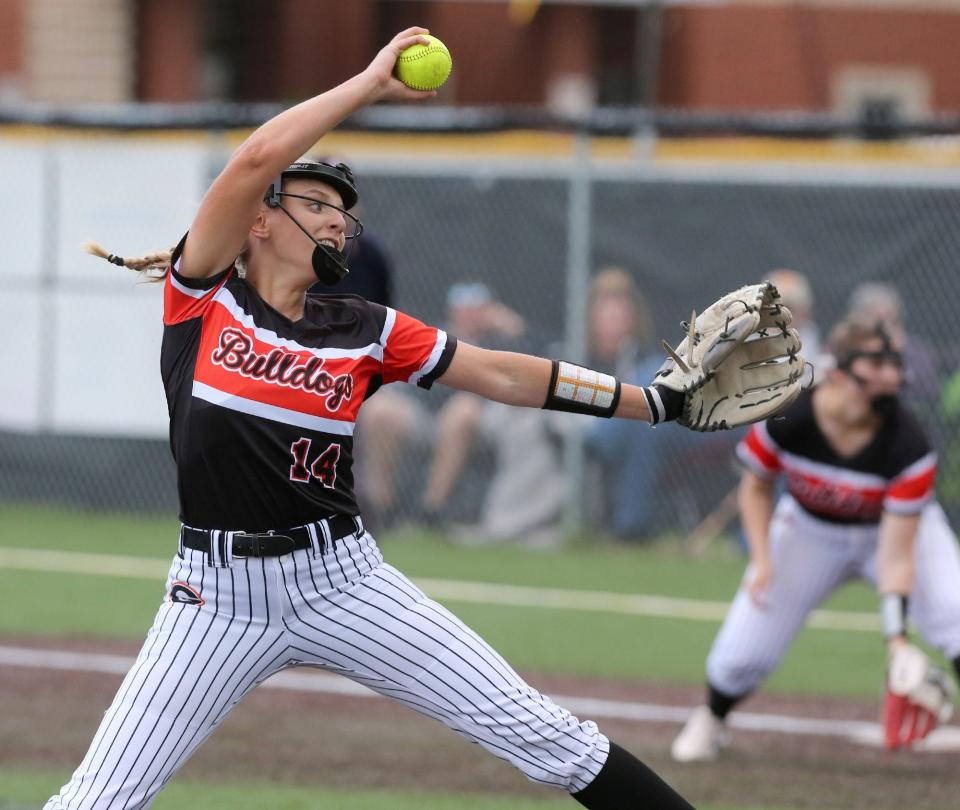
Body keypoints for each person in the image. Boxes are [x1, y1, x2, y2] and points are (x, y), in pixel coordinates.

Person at [51, 29, 700, 809]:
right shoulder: (205, 299)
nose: (337, 222)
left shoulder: (363, 326)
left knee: (549, 739)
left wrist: (653, 402)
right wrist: (367, 84)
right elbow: (257, 158)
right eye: (317, 204)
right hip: (212, 594)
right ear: (258, 222)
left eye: (343, 213)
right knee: (98, 799)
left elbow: (500, 373)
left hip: (342, 580)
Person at [670, 315, 960, 762]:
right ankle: (712, 717)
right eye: (878, 361)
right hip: (810, 530)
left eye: (895, 362)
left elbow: (897, 555)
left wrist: (896, 641)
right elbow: (757, 485)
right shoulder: (789, 414)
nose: (892, 374)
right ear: (840, 368)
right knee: (742, 652)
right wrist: (763, 560)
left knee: (955, 611)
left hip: (890, 529)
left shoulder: (909, 443)